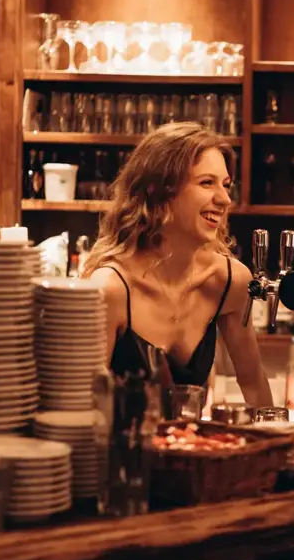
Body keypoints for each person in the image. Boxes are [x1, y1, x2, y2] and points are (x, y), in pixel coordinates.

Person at [84, 122, 273, 408]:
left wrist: (278, 446)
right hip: (122, 451)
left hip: (191, 448)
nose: (224, 199)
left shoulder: (229, 280)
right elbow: (83, 404)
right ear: (159, 190)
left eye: (226, 185)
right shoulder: (110, 287)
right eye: (206, 183)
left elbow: (253, 382)